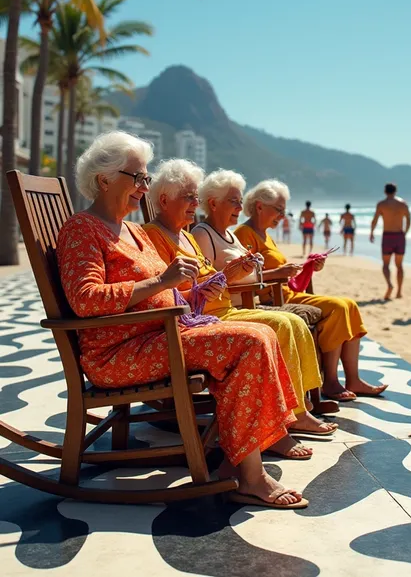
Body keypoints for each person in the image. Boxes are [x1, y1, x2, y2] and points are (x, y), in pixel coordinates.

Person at [56, 132, 308, 509]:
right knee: (251, 341)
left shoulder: (132, 231)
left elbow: (160, 294)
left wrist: (191, 296)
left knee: (262, 331)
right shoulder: (83, 229)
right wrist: (162, 281)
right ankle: (250, 478)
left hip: (161, 335)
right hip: (118, 353)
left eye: (145, 178)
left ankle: (237, 457)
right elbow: (84, 299)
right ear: (105, 178)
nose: (144, 186)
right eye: (138, 177)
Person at [143, 161, 338, 448]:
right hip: (201, 319)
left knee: (293, 322)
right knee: (280, 326)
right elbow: (169, 293)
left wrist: (229, 274)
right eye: (189, 197)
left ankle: (298, 408)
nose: (195, 204)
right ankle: (281, 419)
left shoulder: (185, 235)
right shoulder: (159, 235)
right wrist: (221, 280)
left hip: (220, 310)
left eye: (195, 197)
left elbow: (207, 279)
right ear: (164, 200)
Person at [235, 180, 388, 402]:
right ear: (259, 206)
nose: (282, 216)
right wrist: (281, 271)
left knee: (350, 305)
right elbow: (242, 276)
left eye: (284, 211)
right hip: (272, 300)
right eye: (278, 210)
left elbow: (277, 270)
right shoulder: (245, 234)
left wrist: (307, 266)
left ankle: (353, 378)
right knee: (337, 308)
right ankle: (331, 381)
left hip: (286, 293)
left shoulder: (264, 234)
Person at [370, 184, 411, 300]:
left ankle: (389, 284)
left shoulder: (381, 204)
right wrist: (405, 232)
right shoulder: (403, 204)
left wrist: (372, 232)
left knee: (386, 265)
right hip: (399, 236)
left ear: (385, 191)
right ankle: (399, 291)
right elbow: (408, 219)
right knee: (399, 265)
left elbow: (375, 220)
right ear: (395, 191)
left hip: (387, 236)